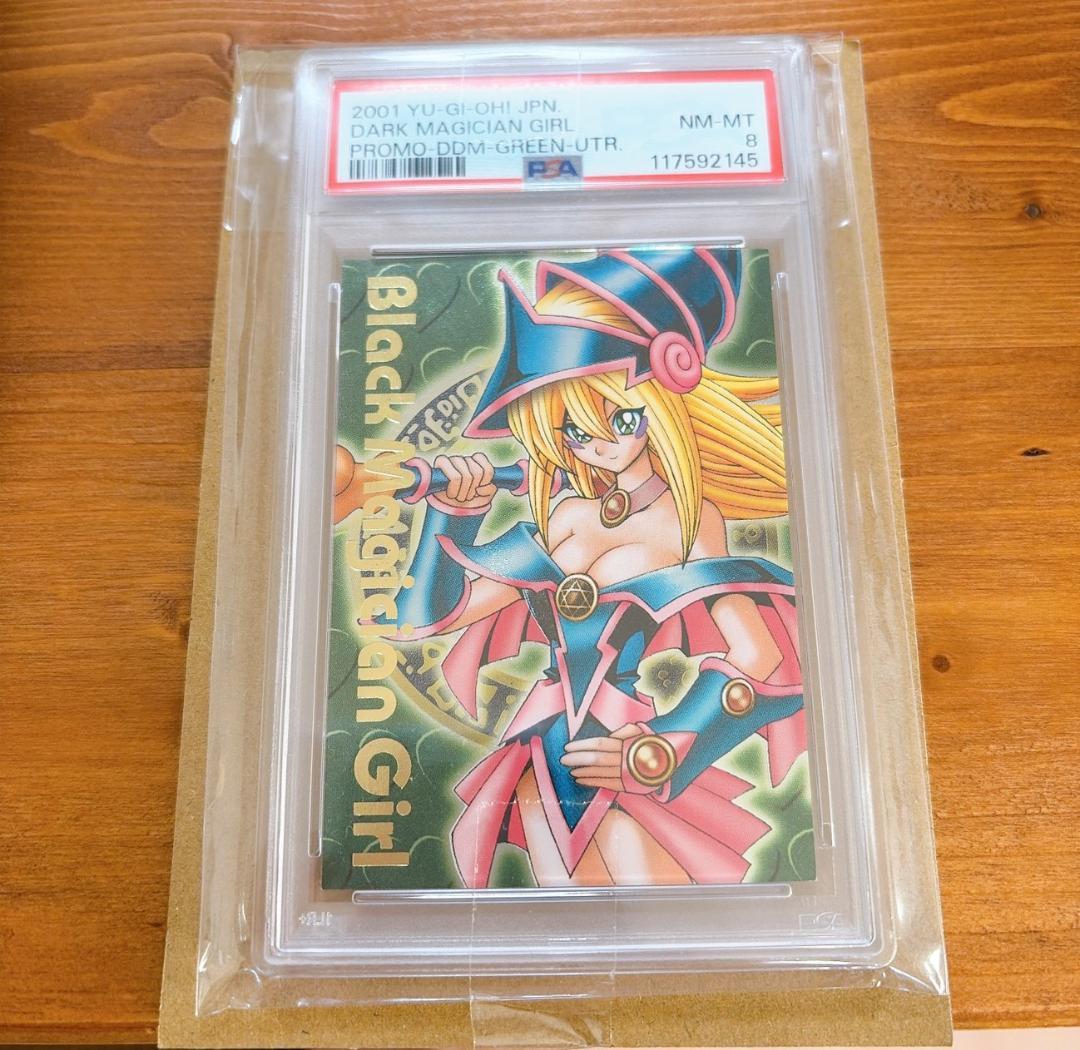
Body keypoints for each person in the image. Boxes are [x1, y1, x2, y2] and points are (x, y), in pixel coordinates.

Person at [395, 248, 805, 887]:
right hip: (540, 747)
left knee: (646, 898)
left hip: (619, 746)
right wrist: (453, 516)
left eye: (622, 418)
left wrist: (664, 746)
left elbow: (759, 655)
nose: (599, 443)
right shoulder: (565, 514)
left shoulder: (687, 519)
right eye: (574, 432)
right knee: (568, 911)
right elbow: (434, 617)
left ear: (663, 407)